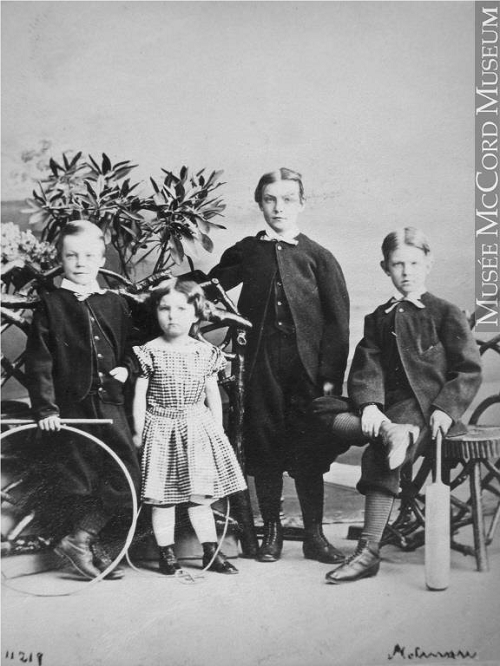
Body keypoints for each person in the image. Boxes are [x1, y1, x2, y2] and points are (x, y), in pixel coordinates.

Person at [325, 227, 482, 584]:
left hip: (429, 411)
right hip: (387, 410)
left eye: (413, 262)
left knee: (382, 453)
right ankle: (389, 432)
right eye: (398, 264)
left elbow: (468, 368)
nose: (406, 271)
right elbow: (367, 364)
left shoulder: (445, 312)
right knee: (319, 408)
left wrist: (446, 407)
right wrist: (368, 406)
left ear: (428, 263)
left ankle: (368, 553)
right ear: (386, 268)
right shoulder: (379, 316)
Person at [209, 168, 350, 564]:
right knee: (265, 443)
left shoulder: (318, 257)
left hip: (306, 370)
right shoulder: (248, 251)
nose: (278, 207)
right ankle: (270, 531)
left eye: (288, 199)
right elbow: (210, 288)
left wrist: (329, 379)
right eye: (270, 199)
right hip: (261, 364)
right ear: (259, 204)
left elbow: (338, 324)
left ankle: (314, 535)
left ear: (301, 204)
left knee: (308, 448)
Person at [25, 220, 141, 580]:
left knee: (127, 476)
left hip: (110, 405)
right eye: (71, 255)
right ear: (61, 259)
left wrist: (126, 368)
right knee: (83, 479)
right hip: (73, 410)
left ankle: (85, 540)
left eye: (89, 255)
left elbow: (134, 347)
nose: (80, 262)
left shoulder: (116, 303)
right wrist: (46, 409)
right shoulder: (51, 305)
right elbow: (40, 362)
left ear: (102, 257)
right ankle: (84, 544)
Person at [132, 278, 247, 575]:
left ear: (196, 314)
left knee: (200, 497)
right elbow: (139, 395)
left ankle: (211, 550)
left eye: (181, 309)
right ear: (155, 312)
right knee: (163, 497)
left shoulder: (204, 352)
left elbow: (212, 395)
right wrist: (138, 430)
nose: (172, 315)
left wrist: (217, 431)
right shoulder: (149, 351)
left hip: (197, 428)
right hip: (160, 427)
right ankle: (166, 553)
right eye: (165, 308)